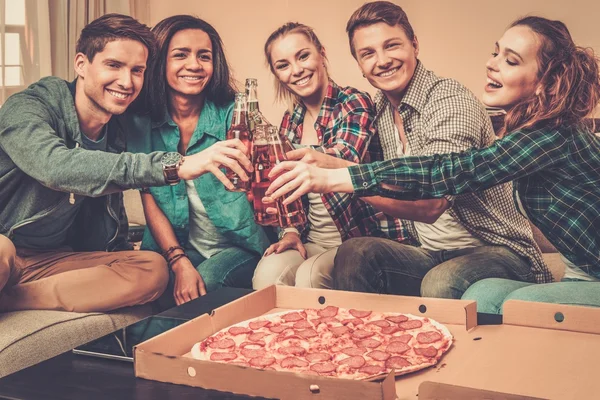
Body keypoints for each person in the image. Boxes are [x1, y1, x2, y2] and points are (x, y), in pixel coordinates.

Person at [265, 15, 600, 312]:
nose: (491, 64)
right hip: (445, 253)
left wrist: (336, 175)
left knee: (451, 285)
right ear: (358, 63)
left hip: (501, 252)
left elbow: (446, 175)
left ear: (414, 44)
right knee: (359, 253)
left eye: (510, 61)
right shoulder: (379, 108)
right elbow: (395, 174)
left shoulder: (542, 132)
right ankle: (370, 363)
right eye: (496, 52)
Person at [0, 14, 252, 313]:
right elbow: (54, 167)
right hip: (7, 246)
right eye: (114, 65)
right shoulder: (28, 107)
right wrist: (175, 165)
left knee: (152, 269)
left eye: (137, 70)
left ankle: (12, 300)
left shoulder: (120, 129)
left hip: (55, 260)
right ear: (81, 64)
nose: (126, 81)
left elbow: (117, 203)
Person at [252, 22, 410, 290]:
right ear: (278, 74)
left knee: (310, 277)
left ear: (321, 54)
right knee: (267, 275)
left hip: (359, 239)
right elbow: (291, 197)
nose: (297, 70)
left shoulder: (353, 102)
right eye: (283, 65)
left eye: (303, 56)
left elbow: (344, 158)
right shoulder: (290, 121)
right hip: (313, 239)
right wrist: (290, 231)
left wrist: (280, 159)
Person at [127, 15, 270, 306]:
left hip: (238, 248)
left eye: (203, 56)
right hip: (176, 247)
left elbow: (272, 177)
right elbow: (149, 196)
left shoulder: (237, 117)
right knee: (147, 288)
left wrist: (290, 232)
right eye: (181, 54)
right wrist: (178, 262)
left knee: (207, 282)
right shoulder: (140, 123)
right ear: (159, 62)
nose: (194, 65)